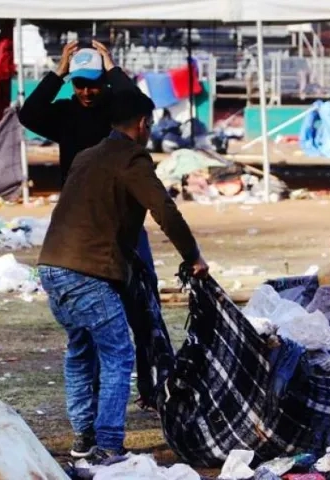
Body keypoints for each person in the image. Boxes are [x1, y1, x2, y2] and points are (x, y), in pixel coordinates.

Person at [37, 88, 209, 460]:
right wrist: (193, 256)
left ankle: (83, 438)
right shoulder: (132, 159)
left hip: (52, 266)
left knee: (81, 352)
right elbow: (165, 211)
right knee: (117, 354)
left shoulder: (87, 156)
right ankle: (109, 443)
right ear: (144, 123)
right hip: (87, 271)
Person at [15, 39, 157, 278]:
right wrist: (58, 72)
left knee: (141, 278)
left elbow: (137, 107)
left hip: (119, 207)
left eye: (93, 85)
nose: (86, 92)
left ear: (104, 81)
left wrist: (112, 68)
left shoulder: (116, 113)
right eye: (79, 85)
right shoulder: (65, 114)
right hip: (78, 212)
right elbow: (28, 114)